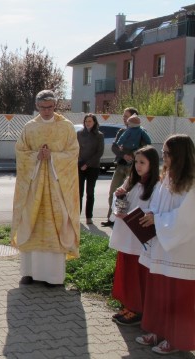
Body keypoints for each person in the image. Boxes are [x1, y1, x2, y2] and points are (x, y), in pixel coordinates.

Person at [11, 90, 80, 287]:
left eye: (50, 107)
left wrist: (53, 157)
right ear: (37, 107)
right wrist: (36, 157)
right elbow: (21, 151)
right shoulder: (30, 127)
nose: (46, 111)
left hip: (57, 188)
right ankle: (29, 272)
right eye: (42, 107)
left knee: (56, 224)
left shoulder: (65, 127)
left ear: (55, 106)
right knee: (29, 222)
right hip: (33, 187)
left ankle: (53, 277)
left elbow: (73, 152)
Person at [135, 135, 195, 355]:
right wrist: (151, 215)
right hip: (162, 242)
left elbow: (188, 217)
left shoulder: (192, 182)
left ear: (179, 155)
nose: (163, 157)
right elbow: (158, 205)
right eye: (163, 153)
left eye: (167, 153)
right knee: (159, 291)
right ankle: (158, 330)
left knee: (178, 297)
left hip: (181, 248)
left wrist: (157, 220)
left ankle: (177, 339)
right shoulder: (166, 177)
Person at [108, 146, 160, 326]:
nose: (138, 166)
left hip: (139, 239)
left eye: (142, 163)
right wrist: (119, 197)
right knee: (126, 273)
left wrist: (131, 213)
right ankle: (127, 305)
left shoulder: (156, 186)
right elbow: (120, 202)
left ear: (152, 164)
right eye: (136, 162)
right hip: (125, 235)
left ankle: (137, 310)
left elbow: (152, 211)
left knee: (138, 275)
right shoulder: (131, 181)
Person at [101, 107, 149, 227]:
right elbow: (114, 147)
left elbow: (146, 147)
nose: (124, 118)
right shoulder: (121, 131)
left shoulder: (141, 132)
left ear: (134, 118)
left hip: (133, 167)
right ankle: (111, 218)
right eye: (123, 116)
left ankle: (128, 219)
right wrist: (123, 155)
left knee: (130, 193)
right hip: (120, 165)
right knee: (114, 192)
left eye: (126, 116)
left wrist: (133, 155)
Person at [77, 113, 104, 225]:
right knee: (79, 193)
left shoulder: (99, 135)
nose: (88, 123)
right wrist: (80, 162)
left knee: (90, 192)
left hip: (93, 166)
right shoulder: (79, 134)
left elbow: (99, 152)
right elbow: (75, 148)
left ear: (94, 122)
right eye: (86, 121)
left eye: (90, 121)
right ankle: (76, 216)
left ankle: (89, 217)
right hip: (79, 165)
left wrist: (87, 164)